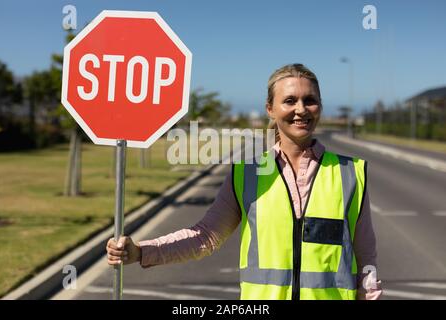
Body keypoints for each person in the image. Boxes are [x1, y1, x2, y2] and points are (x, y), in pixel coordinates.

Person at [106, 63, 382, 300]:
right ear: (270, 109)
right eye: (289, 101)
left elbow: (365, 255)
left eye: (310, 100)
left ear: (319, 106)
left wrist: (369, 291)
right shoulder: (247, 173)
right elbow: (205, 237)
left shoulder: (351, 172)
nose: (301, 109)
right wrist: (142, 251)